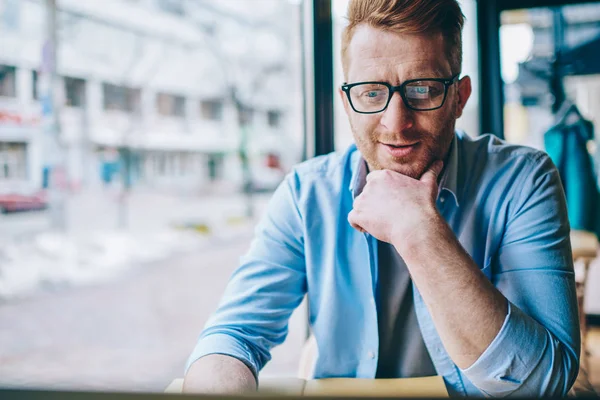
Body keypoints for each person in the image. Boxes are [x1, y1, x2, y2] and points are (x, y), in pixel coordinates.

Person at [183, 0, 580, 396]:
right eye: (372, 93)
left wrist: (420, 232)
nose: (396, 123)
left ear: (459, 97)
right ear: (347, 105)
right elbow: (232, 337)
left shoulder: (523, 180)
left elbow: (544, 384)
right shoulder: (308, 194)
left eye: (422, 90)